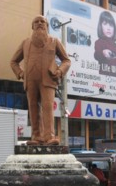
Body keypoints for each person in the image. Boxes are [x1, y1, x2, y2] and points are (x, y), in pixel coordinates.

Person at [10, 15, 71, 146]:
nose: (39, 23)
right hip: (30, 80)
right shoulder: (25, 43)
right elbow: (13, 61)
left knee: (48, 107)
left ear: (47, 26)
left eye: (42, 21)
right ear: (32, 26)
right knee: (33, 107)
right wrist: (20, 73)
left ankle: (49, 137)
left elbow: (67, 60)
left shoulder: (54, 41)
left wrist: (60, 72)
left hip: (48, 80)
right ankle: (36, 136)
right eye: (36, 22)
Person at [94, 11, 116, 79]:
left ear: (114, 28)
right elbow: (97, 55)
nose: (108, 28)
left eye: (111, 25)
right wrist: (103, 53)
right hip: (104, 82)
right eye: (105, 24)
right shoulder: (99, 42)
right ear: (100, 26)